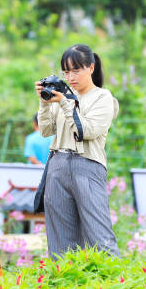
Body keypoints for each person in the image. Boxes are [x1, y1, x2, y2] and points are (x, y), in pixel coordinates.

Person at [35, 44, 119, 259]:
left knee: (99, 235)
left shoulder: (103, 98)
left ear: (91, 68)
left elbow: (87, 131)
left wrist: (65, 102)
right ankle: (65, 287)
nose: (70, 77)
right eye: (66, 71)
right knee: (60, 241)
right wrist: (44, 103)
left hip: (87, 166)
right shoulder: (63, 96)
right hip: (57, 164)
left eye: (76, 70)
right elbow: (45, 130)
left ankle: (115, 286)